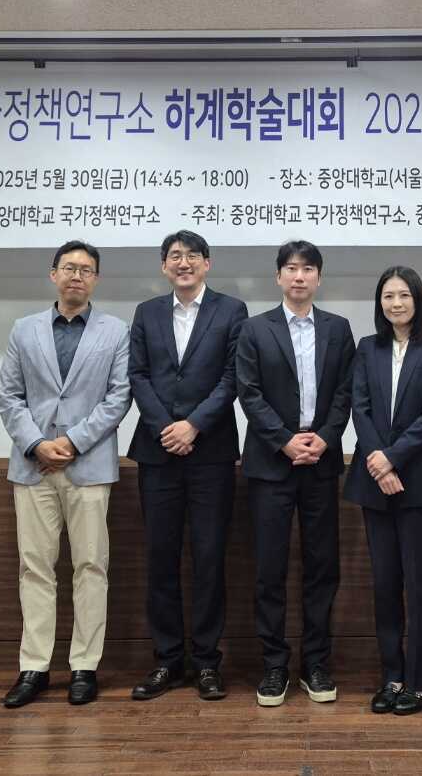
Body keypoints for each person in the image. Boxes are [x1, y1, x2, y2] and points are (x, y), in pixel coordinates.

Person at [0, 240, 132, 708]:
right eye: (69, 268)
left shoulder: (116, 331)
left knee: (91, 567)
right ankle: (34, 667)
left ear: (96, 279)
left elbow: (118, 397)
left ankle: (84, 667)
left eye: (86, 270)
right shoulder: (24, 329)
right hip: (32, 466)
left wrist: (72, 442)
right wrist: (37, 444)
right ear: (53, 274)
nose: (77, 275)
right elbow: (9, 396)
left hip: (88, 466)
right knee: (35, 567)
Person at [127, 230, 248, 702]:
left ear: (207, 263)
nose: (184, 263)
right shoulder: (147, 312)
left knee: (209, 558)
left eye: (192, 256)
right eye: (175, 256)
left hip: (211, 452)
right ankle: (167, 660)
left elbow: (232, 377)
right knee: (161, 558)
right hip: (157, 452)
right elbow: (138, 374)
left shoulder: (231, 310)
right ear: (163, 266)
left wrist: (193, 425)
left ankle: (207, 662)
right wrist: (167, 427)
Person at [236, 239, 356, 707]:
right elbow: (249, 393)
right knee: (269, 569)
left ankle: (316, 664)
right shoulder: (254, 328)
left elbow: (346, 390)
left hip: (321, 461)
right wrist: (285, 440)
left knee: (322, 568)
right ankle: (273, 665)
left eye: (307, 269)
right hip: (271, 463)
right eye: (291, 268)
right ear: (278, 277)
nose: (299, 276)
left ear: (319, 278)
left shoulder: (338, 329)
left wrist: (325, 437)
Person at [343, 266, 422, 716]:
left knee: (419, 584)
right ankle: (392, 675)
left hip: (417, 479)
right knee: (385, 583)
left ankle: (419, 681)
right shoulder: (368, 347)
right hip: (374, 480)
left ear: (417, 300)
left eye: (404, 295)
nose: (396, 303)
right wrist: (377, 460)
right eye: (388, 296)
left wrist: (392, 458)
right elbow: (360, 407)